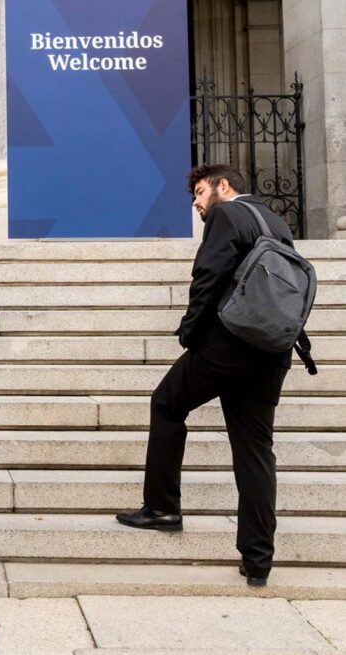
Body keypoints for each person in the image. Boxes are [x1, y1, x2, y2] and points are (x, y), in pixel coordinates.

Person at [116, 164, 300, 587]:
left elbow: (209, 274)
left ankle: (162, 507)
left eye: (200, 192)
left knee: (165, 403)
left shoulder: (226, 214)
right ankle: (258, 559)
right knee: (255, 453)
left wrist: (190, 330)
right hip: (271, 351)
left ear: (224, 185)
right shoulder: (275, 222)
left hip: (226, 345)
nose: (197, 203)